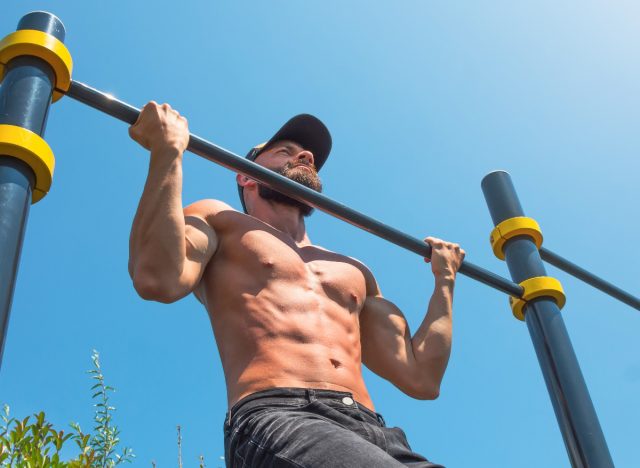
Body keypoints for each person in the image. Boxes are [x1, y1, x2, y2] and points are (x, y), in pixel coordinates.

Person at [128, 102, 466, 468]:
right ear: (246, 176)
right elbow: (156, 278)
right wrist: (168, 152)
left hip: (375, 431)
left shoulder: (354, 271)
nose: (305, 156)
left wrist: (444, 281)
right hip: (280, 416)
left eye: (310, 157)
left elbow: (422, 377)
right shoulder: (219, 219)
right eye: (285, 151)